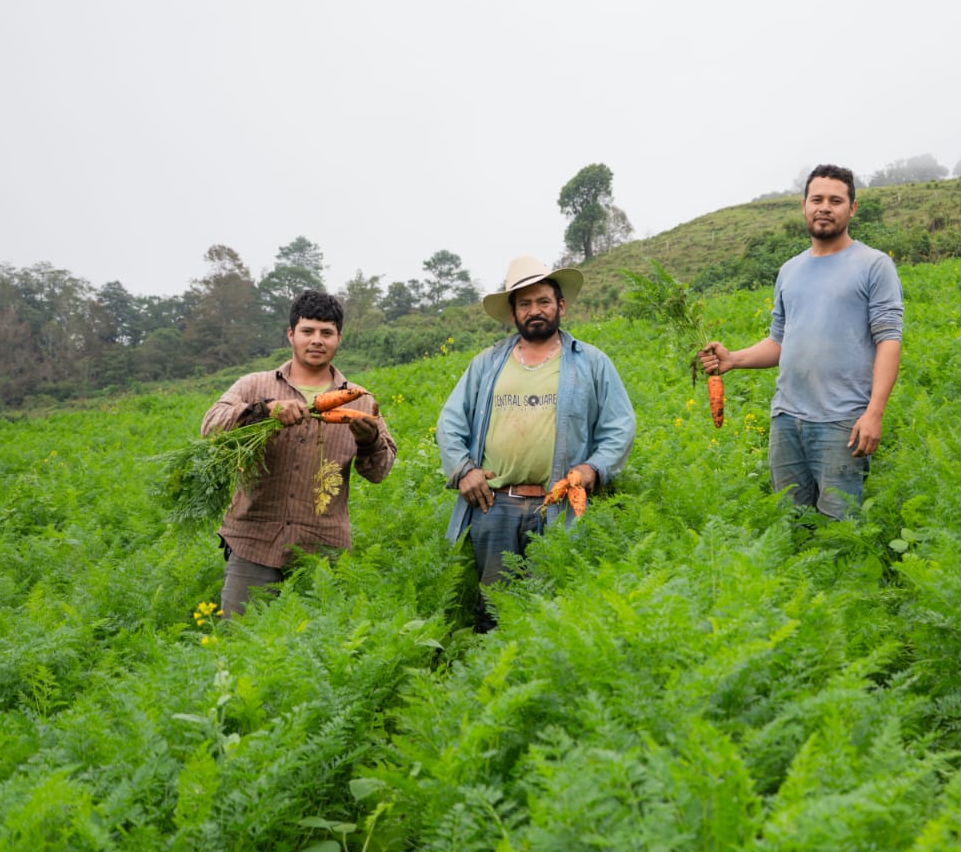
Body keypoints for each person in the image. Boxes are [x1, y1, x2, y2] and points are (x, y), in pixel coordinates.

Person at [699, 163, 904, 519]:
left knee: (839, 534)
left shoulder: (874, 265)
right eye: (817, 199)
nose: (825, 207)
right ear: (804, 205)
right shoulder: (789, 271)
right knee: (791, 530)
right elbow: (780, 341)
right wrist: (733, 359)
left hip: (842, 422)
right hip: (786, 421)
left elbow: (888, 340)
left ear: (852, 208)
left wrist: (874, 413)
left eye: (836, 200)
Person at [438, 256, 635, 624]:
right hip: (493, 506)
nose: (535, 311)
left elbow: (620, 425)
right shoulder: (487, 363)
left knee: (557, 611)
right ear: (513, 313)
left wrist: (594, 468)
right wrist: (464, 471)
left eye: (543, 301)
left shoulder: (591, 363)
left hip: (560, 505)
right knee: (495, 612)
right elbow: (450, 422)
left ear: (560, 306)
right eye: (524, 304)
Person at [201, 289, 396, 617]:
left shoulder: (358, 400)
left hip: (322, 553)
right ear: (291, 334)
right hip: (253, 543)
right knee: (241, 646)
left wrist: (369, 440)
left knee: (310, 657)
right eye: (307, 331)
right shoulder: (254, 386)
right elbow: (209, 428)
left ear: (339, 339)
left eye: (326, 333)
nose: (316, 340)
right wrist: (265, 410)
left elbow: (379, 471)